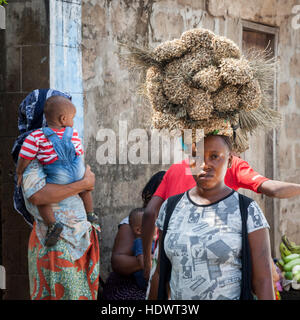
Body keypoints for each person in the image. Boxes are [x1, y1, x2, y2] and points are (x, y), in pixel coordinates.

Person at [150, 135, 274, 300]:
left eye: (214, 156)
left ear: (230, 160)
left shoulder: (247, 211)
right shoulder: (171, 207)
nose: (204, 164)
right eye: (196, 156)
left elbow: (263, 280)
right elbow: (160, 274)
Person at [13, 89, 101, 300]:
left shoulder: (63, 141)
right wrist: (84, 183)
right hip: (57, 245)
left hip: (79, 237)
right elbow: (39, 196)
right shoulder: (33, 152)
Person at [16, 95, 97, 246]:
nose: (72, 122)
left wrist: (20, 171)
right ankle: (91, 214)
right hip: (78, 170)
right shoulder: (73, 134)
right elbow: (78, 152)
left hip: (58, 174)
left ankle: (52, 224)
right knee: (85, 189)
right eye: (72, 118)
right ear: (63, 119)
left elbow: (25, 156)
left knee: (44, 201)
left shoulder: (36, 136)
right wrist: (81, 174)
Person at [101, 171, 165, 300]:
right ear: (150, 196)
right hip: (133, 284)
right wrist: (155, 260)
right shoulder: (136, 223)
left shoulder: (178, 222)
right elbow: (118, 262)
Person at [129, 207, 153, 290]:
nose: (156, 226)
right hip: (146, 281)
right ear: (139, 230)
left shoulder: (150, 240)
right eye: (152, 224)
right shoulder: (140, 242)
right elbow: (143, 263)